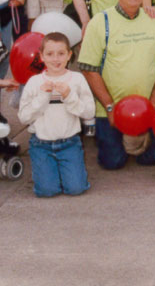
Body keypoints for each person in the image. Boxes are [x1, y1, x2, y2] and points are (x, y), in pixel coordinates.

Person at [78, 0, 155, 170]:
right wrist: (109, 106)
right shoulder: (100, 22)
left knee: (150, 159)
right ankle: (116, 142)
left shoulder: (154, 20)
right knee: (113, 162)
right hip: (110, 109)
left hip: (146, 108)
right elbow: (88, 67)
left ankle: (139, 142)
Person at [17, 32, 95, 197]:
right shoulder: (35, 82)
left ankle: (65, 171)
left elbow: (89, 112)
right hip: (41, 144)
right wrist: (42, 97)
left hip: (70, 143)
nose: (56, 59)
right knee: (47, 191)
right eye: (50, 54)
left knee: (76, 189)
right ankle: (46, 173)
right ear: (41, 57)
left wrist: (69, 96)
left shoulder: (77, 79)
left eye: (61, 54)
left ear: (69, 55)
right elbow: (24, 117)